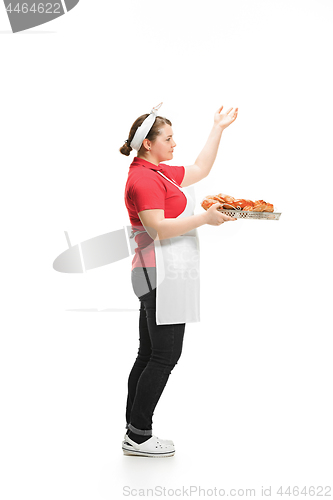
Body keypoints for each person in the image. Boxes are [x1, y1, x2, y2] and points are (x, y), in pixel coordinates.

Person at [121, 102, 238, 458]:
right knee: (165, 355)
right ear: (147, 144)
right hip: (159, 274)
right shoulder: (143, 179)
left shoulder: (158, 171)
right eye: (168, 138)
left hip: (151, 272)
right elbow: (157, 228)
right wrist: (205, 219)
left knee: (149, 353)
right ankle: (140, 435)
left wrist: (218, 128)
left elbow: (200, 169)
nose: (175, 144)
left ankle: (133, 431)